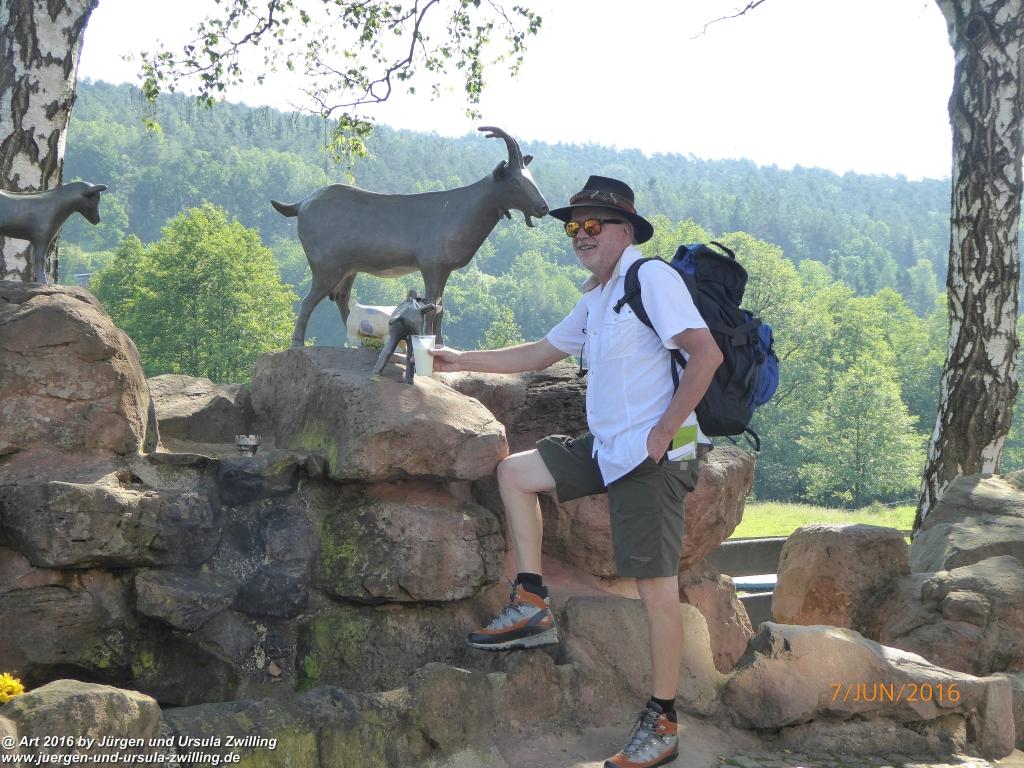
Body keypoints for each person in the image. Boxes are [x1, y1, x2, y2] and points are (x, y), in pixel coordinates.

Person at [430, 175, 722, 768]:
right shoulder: (599, 297)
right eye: (573, 227)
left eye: (592, 226)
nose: (580, 236)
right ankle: (531, 599)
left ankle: (662, 722)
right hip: (608, 447)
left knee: (655, 591)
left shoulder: (651, 279)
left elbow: (706, 353)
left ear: (624, 232)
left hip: (651, 458)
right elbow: (541, 353)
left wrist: (664, 432)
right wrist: (458, 360)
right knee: (515, 475)